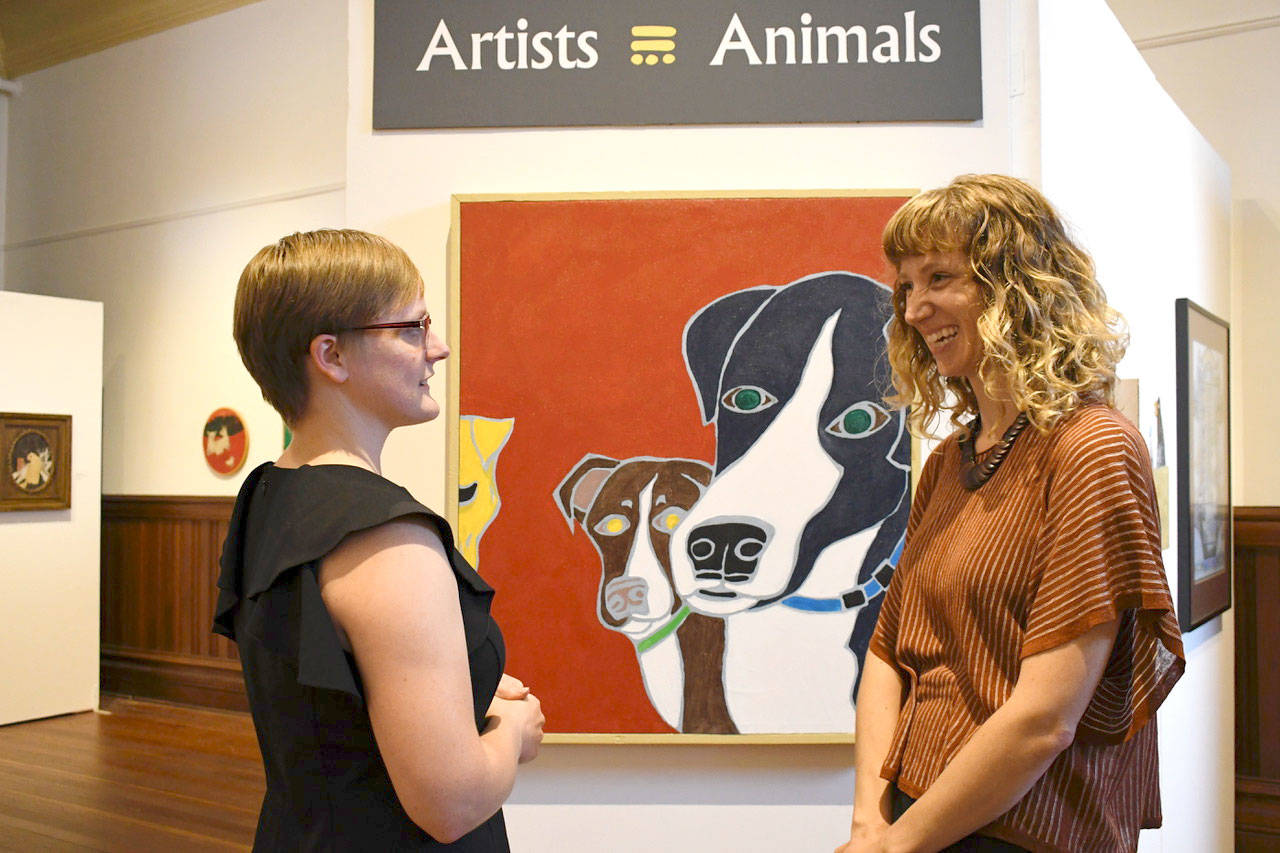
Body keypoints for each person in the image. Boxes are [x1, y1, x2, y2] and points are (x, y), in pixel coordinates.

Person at [836, 175, 1185, 853]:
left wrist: (898, 844)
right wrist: (870, 823)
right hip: (917, 816)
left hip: (1027, 829)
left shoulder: (1092, 447)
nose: (914, 309)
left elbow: (1043, 720)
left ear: (1017, 287)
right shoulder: (947, 462)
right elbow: (888, 652)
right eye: (906, 286)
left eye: (939, 277)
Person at [214, 229, 543, 851]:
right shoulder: (386, 541)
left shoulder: (271, 494)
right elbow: (450, 804)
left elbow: (331, 710)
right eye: (413, 328)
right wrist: (512, 730)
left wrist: (461, 692)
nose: (438, 349)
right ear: (332, 356)